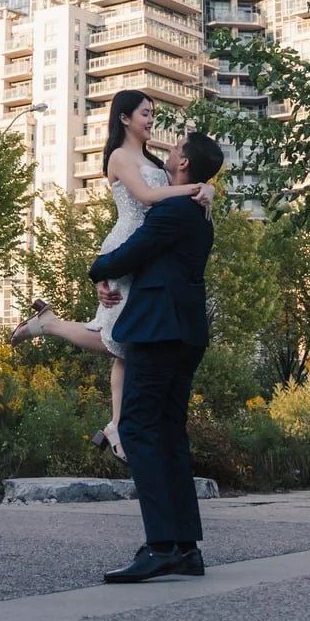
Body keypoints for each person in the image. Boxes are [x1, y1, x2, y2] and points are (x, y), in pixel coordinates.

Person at [10, 90, 214, 459]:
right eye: (145, 113)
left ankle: (118, 425)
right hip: (126, 248)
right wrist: (196, 188)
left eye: (152, 113)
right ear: (124, 118)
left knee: (131, 344)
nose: (151, 120)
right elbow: (148, 197)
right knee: (116, 340)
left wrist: (208, 187)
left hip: (148, 252)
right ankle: (50, 325)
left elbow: (180, 178)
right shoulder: (119, 157)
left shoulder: (153, 160)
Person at [87, 129, 224, 584]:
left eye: (176, 147)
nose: (169, 149)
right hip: (186, 334)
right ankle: (185, 548)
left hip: (158, 332)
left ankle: (161, 546)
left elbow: (130, 253)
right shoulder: (200, 213)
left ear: (184, 163)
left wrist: (97, 269)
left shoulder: (173, 210)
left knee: (137, 427)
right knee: (168, 434)